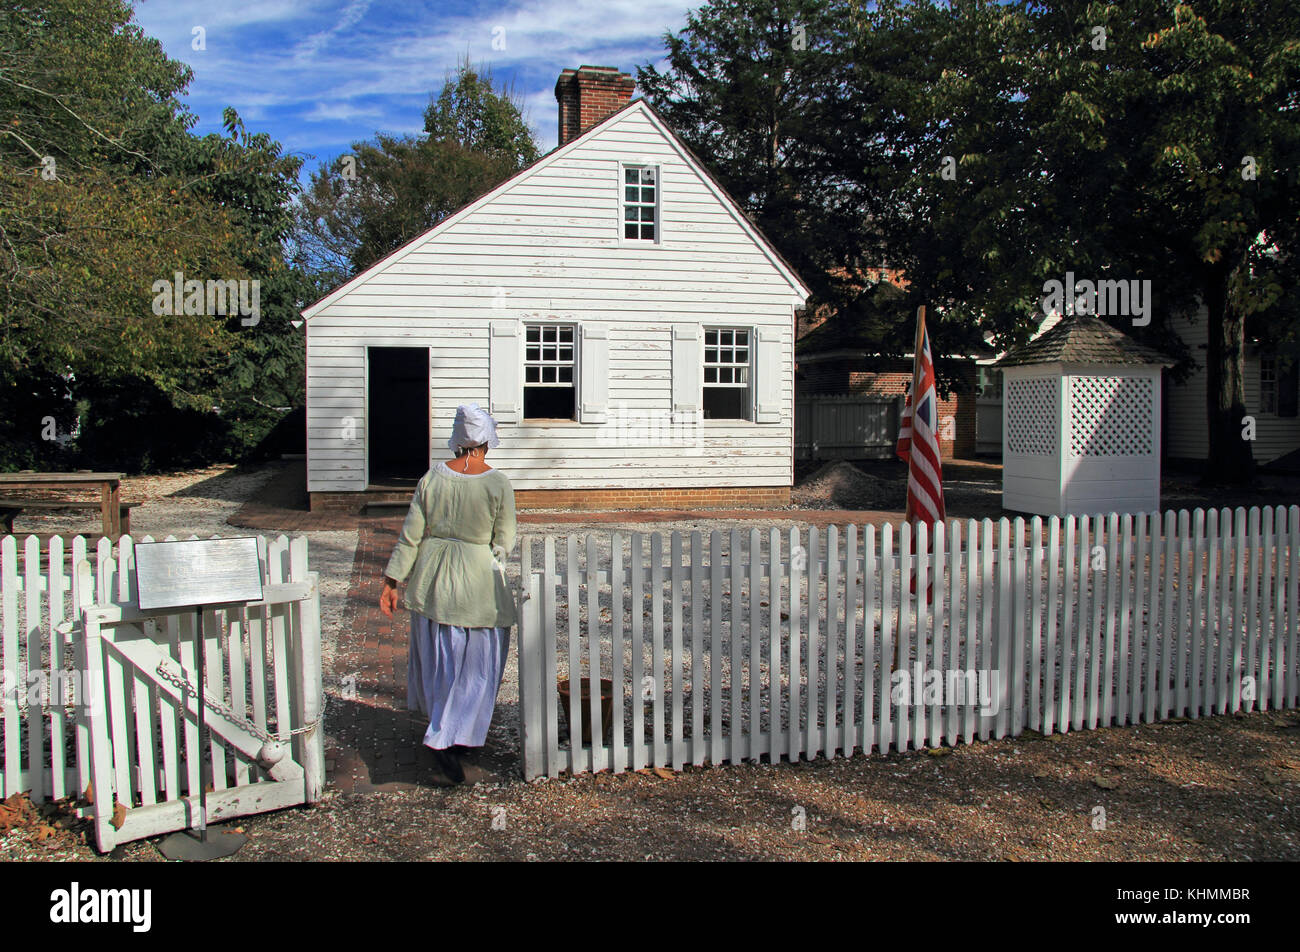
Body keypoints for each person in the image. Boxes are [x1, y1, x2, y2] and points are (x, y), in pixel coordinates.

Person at [379, 403, 517, 784]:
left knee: (442, 657)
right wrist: (494, 559)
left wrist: (392, 580)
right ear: (486, 440)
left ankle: (447, 729)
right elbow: (504, 541)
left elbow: (411, 535)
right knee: (477, 661)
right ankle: (449, 739)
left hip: (434, 576)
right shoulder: (497, 482)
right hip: (478, 580)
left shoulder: (432, 478)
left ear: (458, 441)